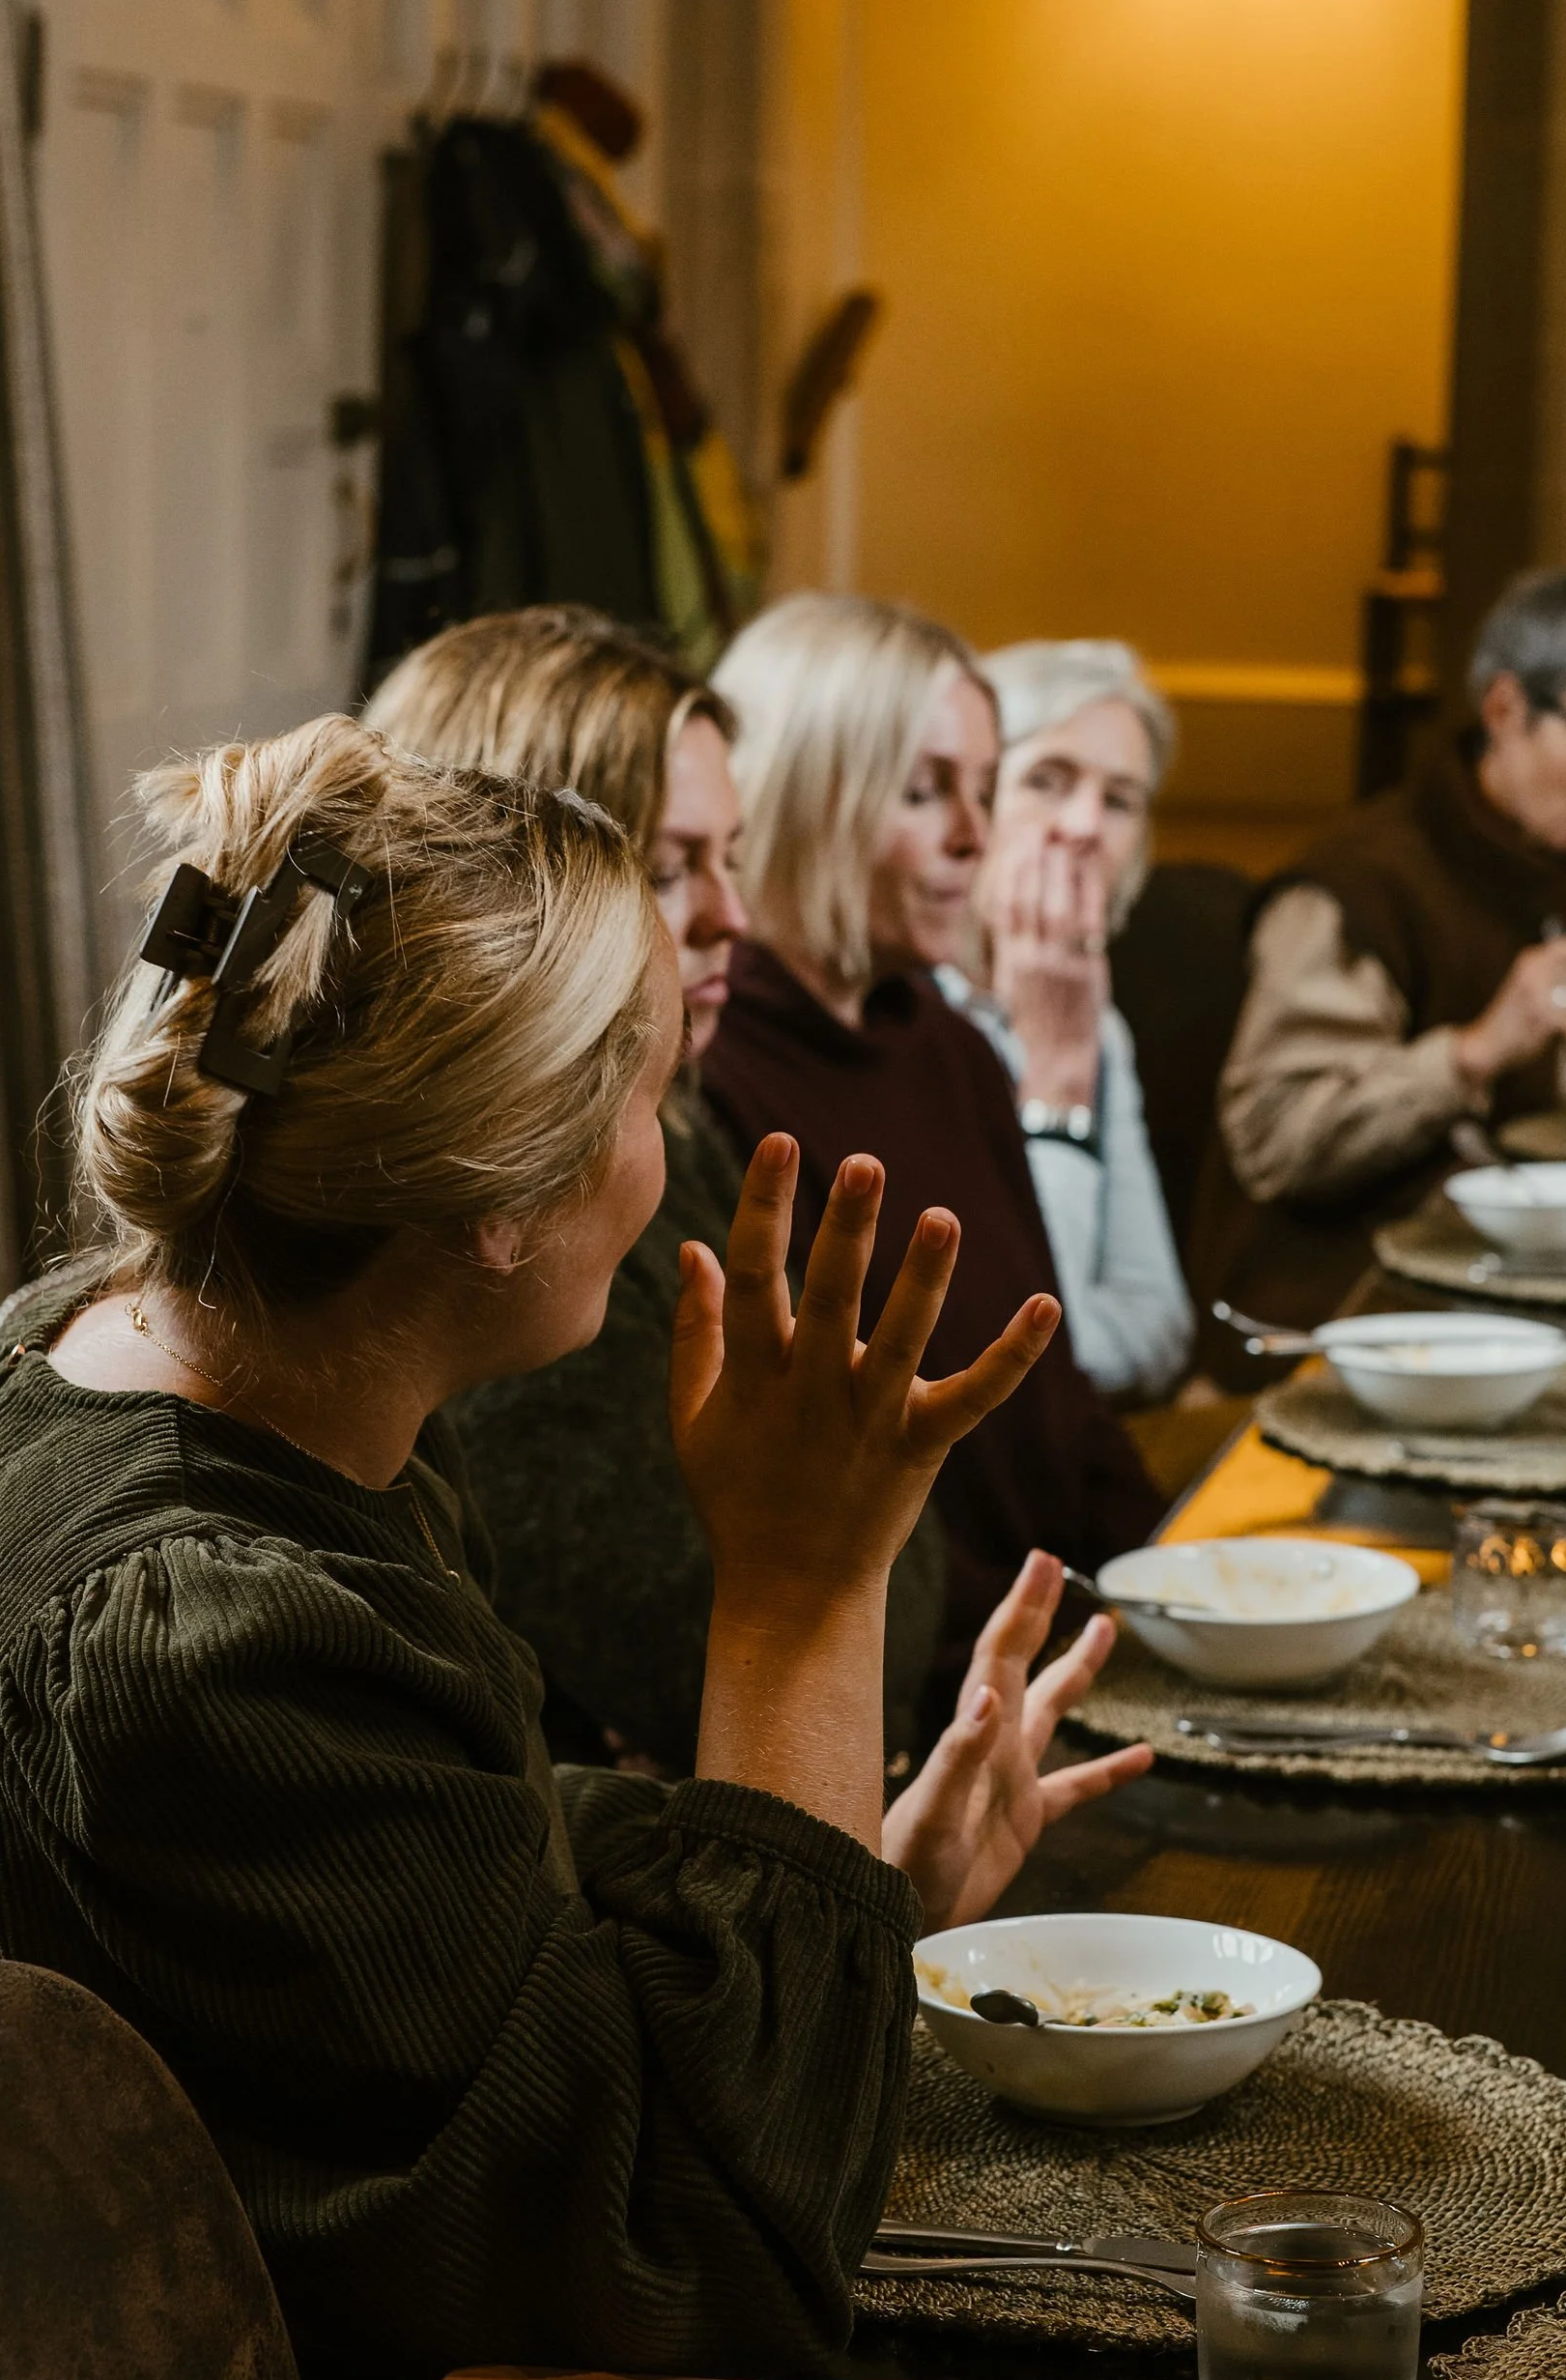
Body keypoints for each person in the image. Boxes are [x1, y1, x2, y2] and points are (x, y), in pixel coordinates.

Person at [0, 719, 1151, 2380]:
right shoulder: (199, 1643)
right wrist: (803, 1592)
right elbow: (723, 2257)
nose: (675, 1166)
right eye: (656, 1093)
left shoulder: (97, 1352)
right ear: (499, 1200)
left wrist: (854, 1883)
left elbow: (474, 1854)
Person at [366, 605, 945, 1775]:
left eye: (728, 858)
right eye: (672, 868)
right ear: (521, 885)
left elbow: (903, 1579)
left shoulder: (682, 1126)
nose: (729, 915)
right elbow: (736, 1647)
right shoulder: (512, 1241)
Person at [703, 594, 1163, 1691]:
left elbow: (1054, 1392)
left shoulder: (943, 1039)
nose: (973, 834)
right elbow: (817, 1508)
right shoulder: (719, 1075)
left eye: (982, 787)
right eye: (923, 793)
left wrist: (1164, 1581)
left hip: (1061, 1631)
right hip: (916, 1677)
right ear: (803, 800)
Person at [1202, 567, 1566, 1337]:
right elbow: (1275, 1139)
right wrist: (1476, 1052)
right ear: (1506, 709)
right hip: (1384, 1293)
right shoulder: (1361, 881)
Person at [940, 637, 1192, 1402]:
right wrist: (1053, 1077)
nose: (1084, 825)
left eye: (1120, 801)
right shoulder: (920, 1019)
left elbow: (1161, 1326)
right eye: (1048, 781)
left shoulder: (1092, 1018)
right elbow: (1011, 1351)